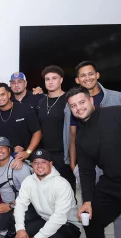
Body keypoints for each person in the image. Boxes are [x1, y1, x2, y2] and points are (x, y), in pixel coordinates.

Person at [66, 61, 121, 238]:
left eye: (81, 102)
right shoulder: (81, 137)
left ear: (91, 101)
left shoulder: (115, 113)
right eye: (73, 106)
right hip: (111, 184)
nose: (78, 108)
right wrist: (87, 201)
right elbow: (87, 172)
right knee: (90, 219)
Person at [14, 149, 81, 238]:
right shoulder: (29, 181)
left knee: (53, 237)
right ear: (31, 165)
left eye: (43, 162)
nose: (39, 166)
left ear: (51, 164)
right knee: (25, 227)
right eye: (35, 162)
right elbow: (20, 205)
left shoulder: (61, 184)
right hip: (46, 220)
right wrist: (20, 228)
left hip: (69, 225)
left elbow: (59, 217)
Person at [36, 65, 76, 194]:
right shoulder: (41, 102)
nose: (50, 81)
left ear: (61, 80)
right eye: (47, 79)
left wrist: (72, 158)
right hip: (45, 155)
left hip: (64, 155)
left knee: (67, 192)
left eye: (54, 78)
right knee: (47, 193)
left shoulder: (68, 100)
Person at [0, 83, 42, 162]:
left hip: (29, 159)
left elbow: (37, 133)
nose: (0, 98)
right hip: (6, 161)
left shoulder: (25, 109)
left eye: (2, 94)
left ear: (9, 94)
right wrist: (9, 150)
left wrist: (28, 152)